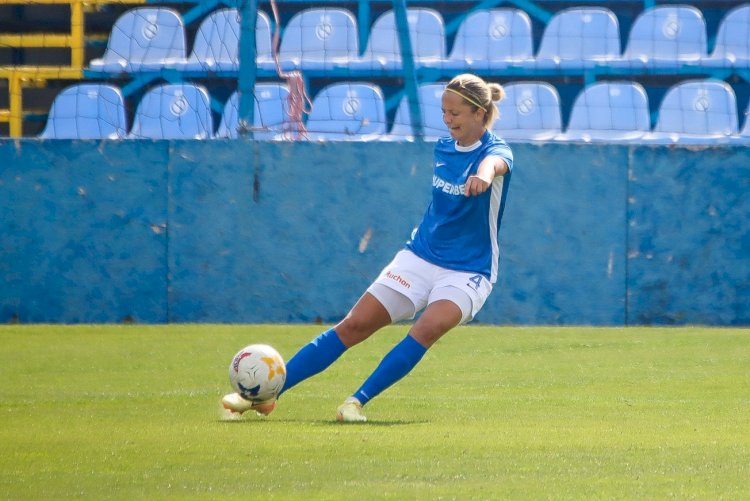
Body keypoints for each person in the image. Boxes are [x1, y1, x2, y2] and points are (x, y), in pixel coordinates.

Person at [222, 73, 514, 422]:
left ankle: (356, 402)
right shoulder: (443, 147)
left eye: (456, 113)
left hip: (469, 270)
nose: (448, 120)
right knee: (354, 325)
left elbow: (494, 164)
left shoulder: (496, 151)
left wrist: (483, 175)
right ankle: (267, 396)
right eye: (444, 112)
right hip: (420, 256)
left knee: (425, 329)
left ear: (480, 113)